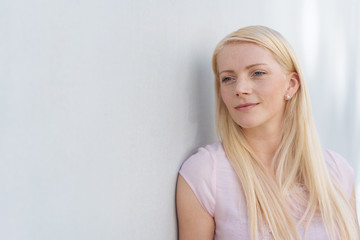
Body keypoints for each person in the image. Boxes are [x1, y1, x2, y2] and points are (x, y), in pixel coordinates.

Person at [176, 25, 359, 240]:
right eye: (228, 78)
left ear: (290, 85)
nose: (240, 88)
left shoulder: (337, 171)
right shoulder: (206, 173)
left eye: (257, 73)